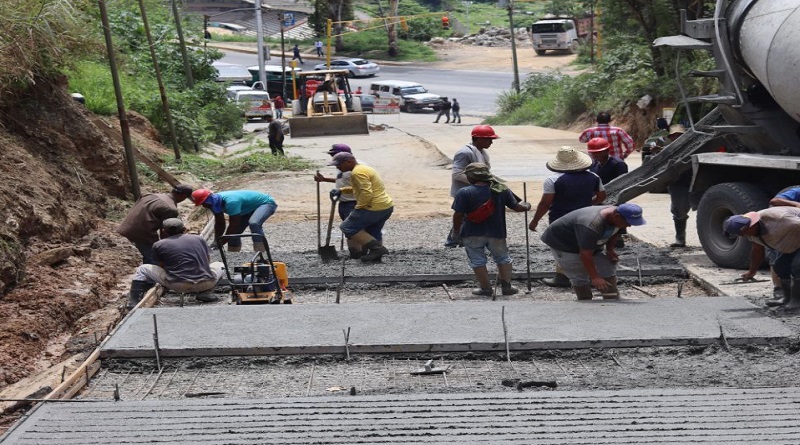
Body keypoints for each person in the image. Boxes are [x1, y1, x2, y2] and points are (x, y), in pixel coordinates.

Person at [530, 146, 606, 287]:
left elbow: (545, 203)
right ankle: (591, 276)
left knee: (562, 247)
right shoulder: (593, 177)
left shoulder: (553, 180)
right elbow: (602, 196)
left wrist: (535, 221)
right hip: (586, 219)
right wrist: (589, 204)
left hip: (560, 219)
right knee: (586, 245)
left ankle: (562, 277)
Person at [452, 163, 531, 297]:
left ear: (470, 177)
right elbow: (517, 207)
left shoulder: (464, 192)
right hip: (496, 232)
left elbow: (458, 214)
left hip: (471, 233)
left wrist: (456, 231)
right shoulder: (501, 189)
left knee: (477, 261)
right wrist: (527, 206)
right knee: (503, 258)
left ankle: (486, 289)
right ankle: (507, 287)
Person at [541, 203, 646, 300]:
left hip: (588, 241)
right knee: (578, 272)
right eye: (628, 223)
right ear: (617, 216)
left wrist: (610, 250)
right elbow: (585, 254)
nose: (629, 226)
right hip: (564, 243)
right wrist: (595, 277)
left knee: (606, 264)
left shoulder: (619, 218)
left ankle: (611, 298)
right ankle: (585, 302)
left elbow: (616, 232)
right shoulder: (592, 224)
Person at [125, 218, 225, 309]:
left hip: (177, 285)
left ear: (164, 231)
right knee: (220, 265)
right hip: (206, 283)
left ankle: (134, 301)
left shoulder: (158, 245)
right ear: (184, 229)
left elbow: (161, 265)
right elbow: (207, 260)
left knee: (143, 269)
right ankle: (206, 292)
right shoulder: (198, 239)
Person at [724, 208, 800, 309]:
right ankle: (787, 298)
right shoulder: (751, 233)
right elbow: (757, 251)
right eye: (743, 235)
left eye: (747, 231)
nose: (744, 236)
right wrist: (752, 272)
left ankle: (797, 301)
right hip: (792, 240)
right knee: (780, 266)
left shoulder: (780, 219)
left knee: (797, 266)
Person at [328, 152, 394, 262]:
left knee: (347, 227)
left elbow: (366, 192)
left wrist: (359, 207)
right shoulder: (363, 169)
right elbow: (359, 188)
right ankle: (376, 257)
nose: (337, 167)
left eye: (339, 164)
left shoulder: (357, 173)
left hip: (373, 207)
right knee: (373, 232)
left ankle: (377, 249)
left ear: (349, 161)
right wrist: (342, 190)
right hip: (386, 206)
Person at [446, 125, 499, 247]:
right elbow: (456, 173)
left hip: (475, 191)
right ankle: (452, 241)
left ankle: (459, 240)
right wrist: (478, 183)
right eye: (488, 139)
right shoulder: (465, 152)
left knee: (471, 216)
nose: (491, 142)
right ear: (477, 139)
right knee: (463, 216)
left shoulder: (482, 153)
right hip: (464, 192)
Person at [117, 184, 194, 265]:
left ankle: (147, 271)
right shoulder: (170, 208)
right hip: (141, 232)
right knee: (154, 257)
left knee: (152, 252)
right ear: (183, 195)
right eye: (185, 198)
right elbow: (166, 232)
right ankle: (150, 275)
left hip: (126, 226)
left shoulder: (150, 195)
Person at [191, 188, 277, 253]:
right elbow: (220, 223)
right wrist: (216, 241)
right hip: (247, 209)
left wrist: (221, 243)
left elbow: (233, 225)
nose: (203, 206)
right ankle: (232, 255)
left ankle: (262, 253)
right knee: (234, 233)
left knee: (254, 223)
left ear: (207, 200)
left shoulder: (231, 202)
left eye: (203, 203)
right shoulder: (213, 203)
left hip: (266, 204)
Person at [314, 144, 362, 258]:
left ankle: (357, 254)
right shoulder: (343, 167)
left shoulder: (356, 168)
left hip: (353, 202)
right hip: (343, 202)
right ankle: (356, 253)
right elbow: (342, 180)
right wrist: (324, 179)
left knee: (352, 228)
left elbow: (359, 186)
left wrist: (342, 190)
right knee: (350, 228)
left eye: (334, 155)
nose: (333, 158)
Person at [587, 136, 630, 249]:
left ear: (607, 151)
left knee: (615, 218)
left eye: (599, 152)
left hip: (614, 198)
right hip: (600, 198)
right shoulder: (594, 165)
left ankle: (617, 237)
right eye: (594, 153)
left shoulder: (618, 164)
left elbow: (623, 183)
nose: (597, 155)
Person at [660, 125, 691, 248]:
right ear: (671, 137)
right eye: (675, 135)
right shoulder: (667, 150)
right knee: (679, 211)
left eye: (680, 135)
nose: (678, 137)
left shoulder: (694, 147)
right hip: (678, 184)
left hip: (696, 182)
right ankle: (680, 239)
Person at [767, 186, 800, 300]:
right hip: (787, 233)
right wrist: (796, 205)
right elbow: (774, 201)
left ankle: (795, 299)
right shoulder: (797, 192)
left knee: (797, 265)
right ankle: (781, 291)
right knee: (779, 264)